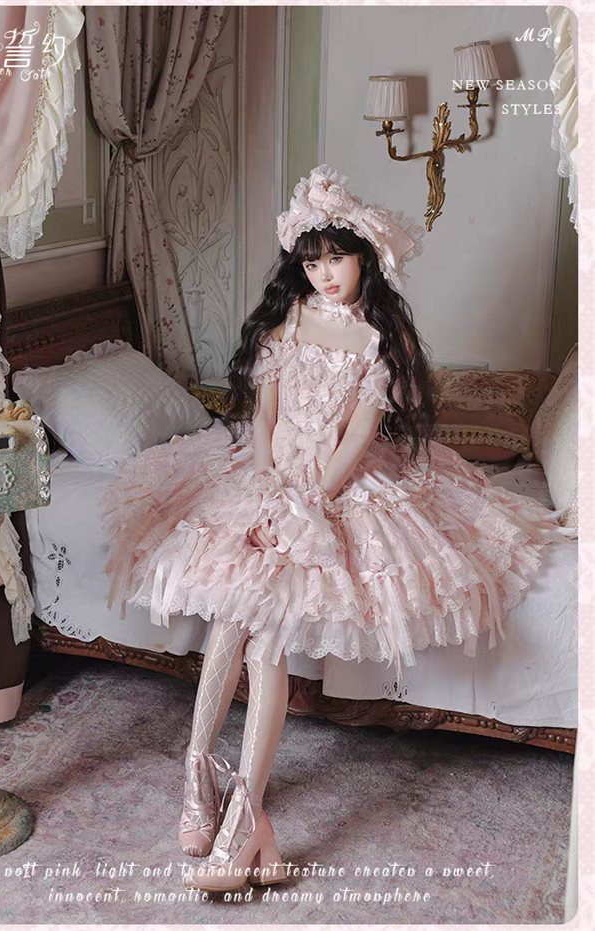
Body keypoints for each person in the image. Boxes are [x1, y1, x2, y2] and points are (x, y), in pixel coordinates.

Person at [100, 165, 577, 893]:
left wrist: (311, 502)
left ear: (365, 259)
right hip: (268, 475)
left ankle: (248, 819)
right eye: (312, 261)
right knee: (230, 615)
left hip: (337, 486)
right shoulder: (287, 321)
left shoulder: (381, 339)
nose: (323, 274)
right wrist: (267, 486)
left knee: (266, 636)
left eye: (337, 259)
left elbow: (358, 436)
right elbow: (264, 417)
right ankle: (199, 778)